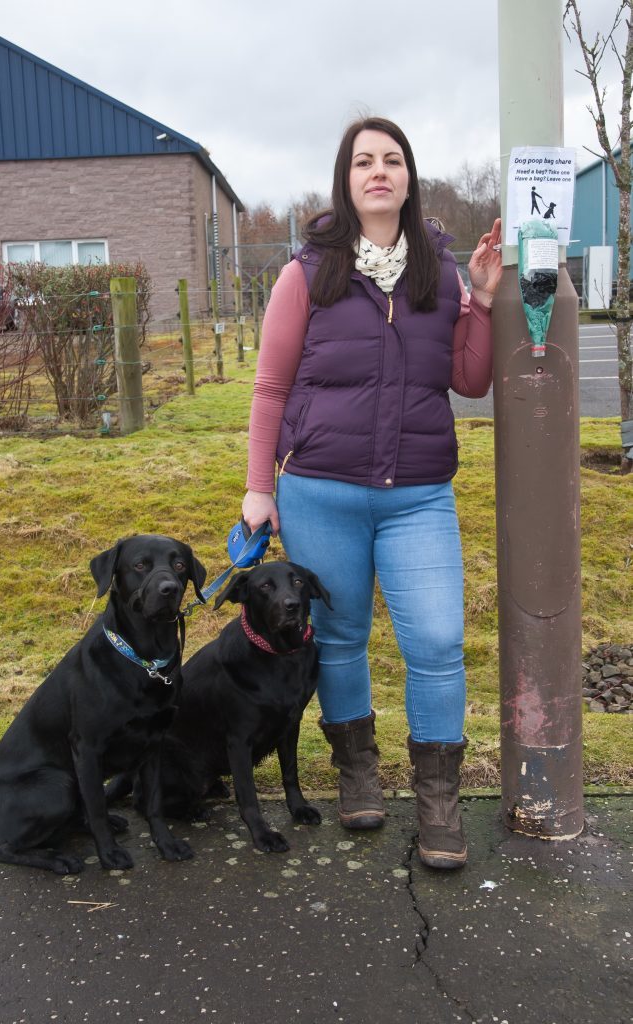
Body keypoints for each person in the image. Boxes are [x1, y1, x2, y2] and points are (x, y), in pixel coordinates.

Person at [242, 116, 502, 870]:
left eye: (392, 160)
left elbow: (470, 380)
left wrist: (481, 301)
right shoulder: (306, 273)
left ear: (409, 178)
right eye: (364, 162)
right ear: (345, 180)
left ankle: (437, 802)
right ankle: (357, 774)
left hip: (417, 496)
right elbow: (269, 387)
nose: (379, 171)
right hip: (319, 491)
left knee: (436, 642)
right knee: (343, 636)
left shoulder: (443, 273)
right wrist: (261, 489)